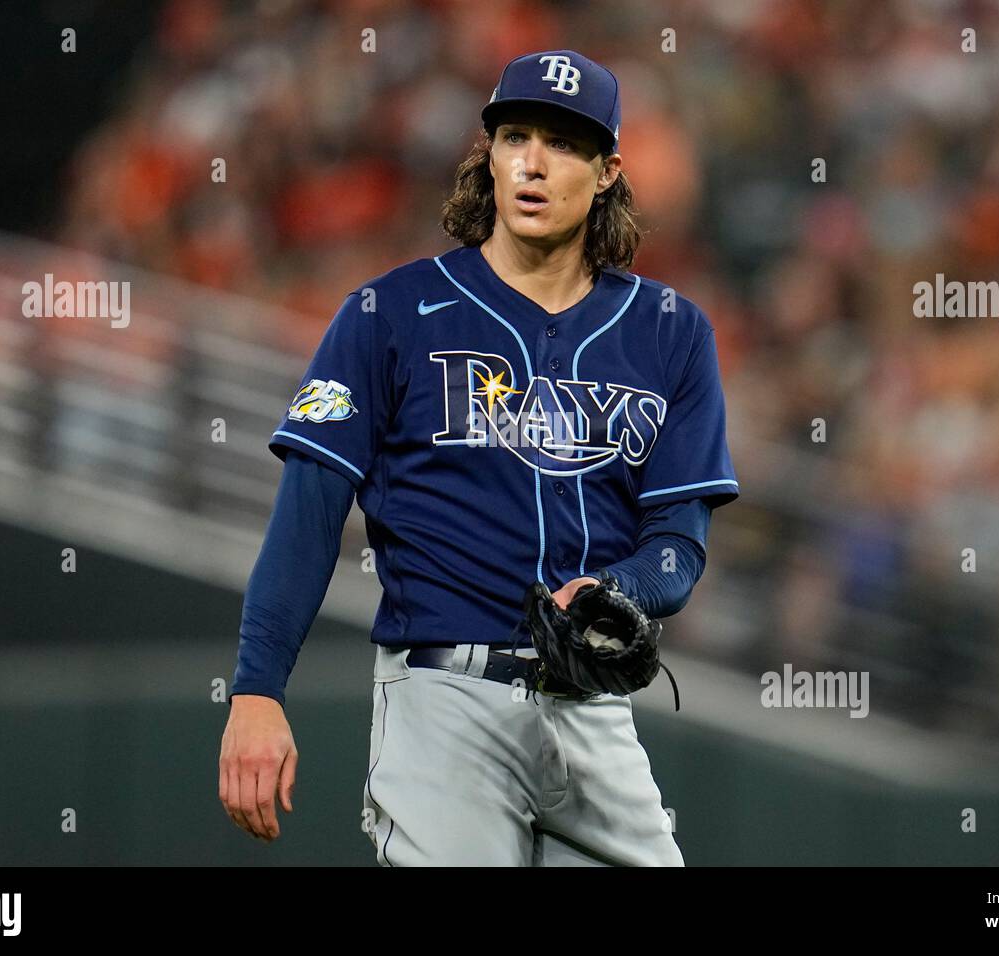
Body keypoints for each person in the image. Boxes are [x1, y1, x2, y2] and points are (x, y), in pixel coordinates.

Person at [219, 49, 739, 866]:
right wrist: (256, 688)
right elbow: (309, 515)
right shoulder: (389, 313)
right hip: (443, 699)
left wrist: (620, 588)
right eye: (515, 136)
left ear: (607, 172)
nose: (534, 162)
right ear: (487, 155)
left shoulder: (671, 331)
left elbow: (680, 538)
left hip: (590, 708)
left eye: (564, 144)